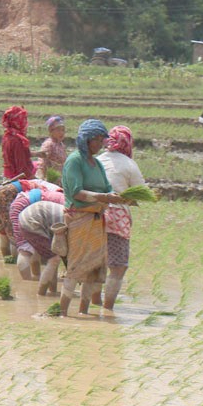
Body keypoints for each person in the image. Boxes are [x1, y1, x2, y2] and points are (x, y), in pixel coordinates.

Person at [58, 119, 128, 318]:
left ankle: (83, 311)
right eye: (96, 140)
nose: (100, 144)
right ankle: (62, 310)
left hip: (98, 220)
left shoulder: (96, 163)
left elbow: (107, 188)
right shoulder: (75, 161)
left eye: (101, 140)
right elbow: (76, 192)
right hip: (79, 218)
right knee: (76, 266)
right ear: (86, 140)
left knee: (94, 268)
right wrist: (102, 197)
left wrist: (121, 197)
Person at [96, 125, 144, 310]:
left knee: (97, 263)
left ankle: (93, 303)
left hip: (93, 214)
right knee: (117, 267)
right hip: (116, 216)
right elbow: (140, 192)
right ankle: (108, 309)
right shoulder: (129, 164)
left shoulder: (98, 160)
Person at [9, 180, 64, 282]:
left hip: (21, 204)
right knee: (25, 249)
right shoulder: (64, 200)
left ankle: (35, 278)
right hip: (26, 206)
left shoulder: (56, 192)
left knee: (33, 245)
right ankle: (27, 282)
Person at [18, 197, 66, 296]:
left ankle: (52, 291)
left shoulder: (76, 218)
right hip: (32, 221)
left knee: (54, 255)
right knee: (54, 259)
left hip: (30, 216)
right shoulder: (76, 224)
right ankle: (41, 295)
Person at [1, 105, 34, 180]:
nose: (26, 122)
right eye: (23, 119)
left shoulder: (7, 136)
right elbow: (22, 169)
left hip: (8, 176)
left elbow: (16, 155)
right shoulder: (17, 141)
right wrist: (38, 181)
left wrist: (37, 154)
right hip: (17, 180)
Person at [35, 115, 67, 180]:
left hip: (60, 178)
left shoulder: (61, 145)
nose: (61, 133)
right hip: (50, 178)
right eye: (58, 130)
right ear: (51, 131)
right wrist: (41, 179)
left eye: (63, 130)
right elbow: (42, 162)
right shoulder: (48, 144)